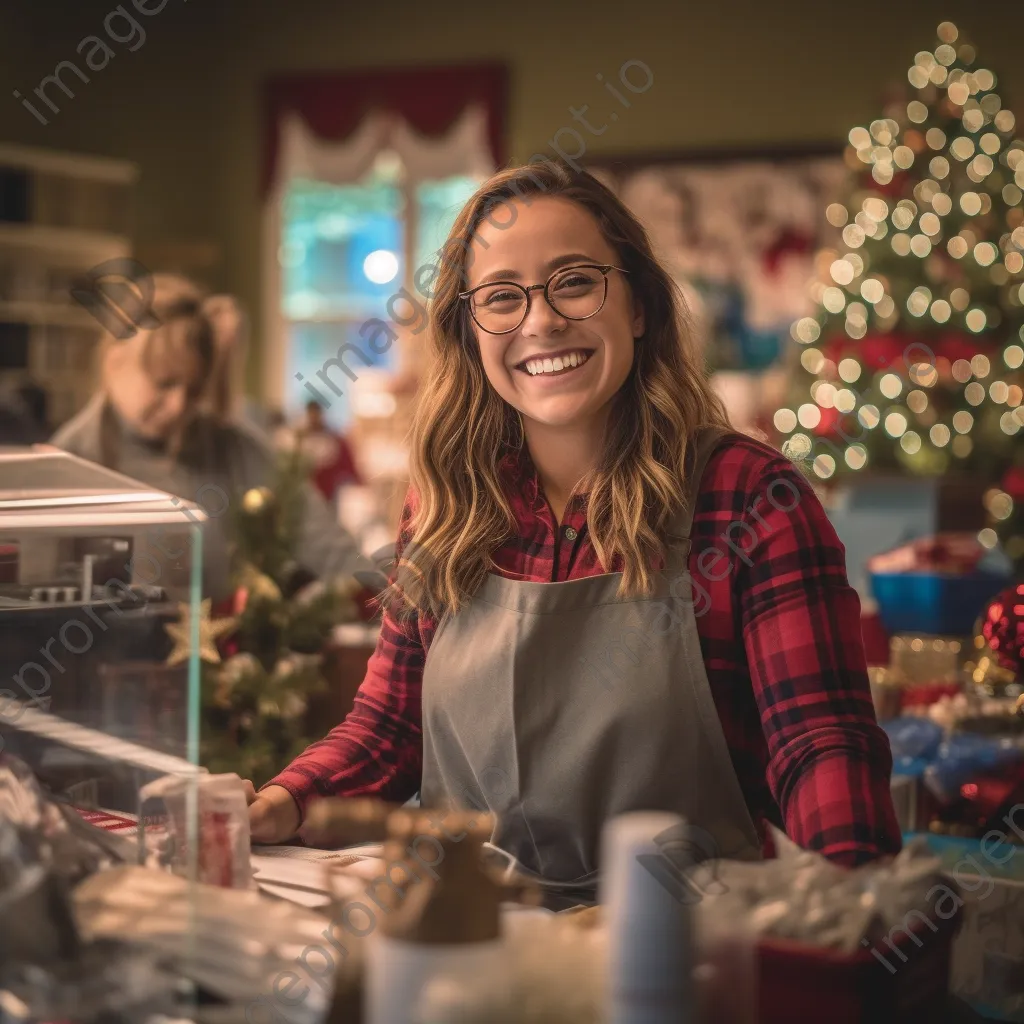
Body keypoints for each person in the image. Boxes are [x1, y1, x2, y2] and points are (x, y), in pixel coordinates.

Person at [247, 163, 901, 901]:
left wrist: (850, 910)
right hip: (473, 944)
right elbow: (392, 727)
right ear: (469, 331)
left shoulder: (749, 499)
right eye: (501, 297)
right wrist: (282, 802)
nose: (541, 321)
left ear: (640, 305)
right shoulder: (446, 505)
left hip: (685, 960)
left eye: (575, 282)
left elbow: (820, 745)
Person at [50, 273, 373, 602]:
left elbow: (335, 554)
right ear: (114, 363)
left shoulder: (235, 447)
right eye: (165, 383)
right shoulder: (65, 465)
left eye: (193, 390)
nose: (178, 406)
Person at [292, 400, 363, 504]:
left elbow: (348, 465)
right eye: (311, 415)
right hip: (306, 494)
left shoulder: (335, 440)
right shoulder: (299, 442)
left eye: (316, 414)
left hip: (330, 493)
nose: (313, 418)